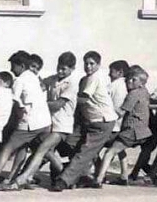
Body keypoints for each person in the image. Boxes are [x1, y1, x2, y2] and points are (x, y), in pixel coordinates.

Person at [5, 52, 79, 190]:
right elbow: (38, 85)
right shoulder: (52, 79)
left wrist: (38, 102)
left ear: (72, 69)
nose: (60, 71)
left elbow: (58, 105)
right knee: (47, 153)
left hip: (62, 125)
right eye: (59, 67)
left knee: (41, 150)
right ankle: (68, 177)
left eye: (64, 69)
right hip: (49, 122)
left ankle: (22, 178)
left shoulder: (72, 84)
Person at [0, 51, 51, 191]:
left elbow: (14, 101)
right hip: (45, 121)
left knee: (8, 148)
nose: (12, 69)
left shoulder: (19, 80)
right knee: (27, 148)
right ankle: (12, 178)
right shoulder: (33, 77)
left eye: (13, 66)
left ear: (22, 65)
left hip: (30, 122)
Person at [50, 51, 118, 192]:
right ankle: (81, 176)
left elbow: (83, 99)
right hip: (88, 121)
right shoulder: (84, 79)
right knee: (70, 144)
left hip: (102, 121)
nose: (88, 66)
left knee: (86, 151)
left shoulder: (95, 78)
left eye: (92, 63)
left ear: (99, 65)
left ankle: (64, 180)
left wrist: (65, 99)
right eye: (86, 63)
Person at [94, 66, 152, 187]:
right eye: (128, 79)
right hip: (142, 131)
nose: (129, 82)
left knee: (109, 152)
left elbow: (120, 113)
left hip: (132, 131)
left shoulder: (133, 94)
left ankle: (99, 179)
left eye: (133, 80)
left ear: (141, 83)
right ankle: (124, 176)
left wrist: (105, 106)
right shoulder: (144, 92)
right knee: (120, 148)